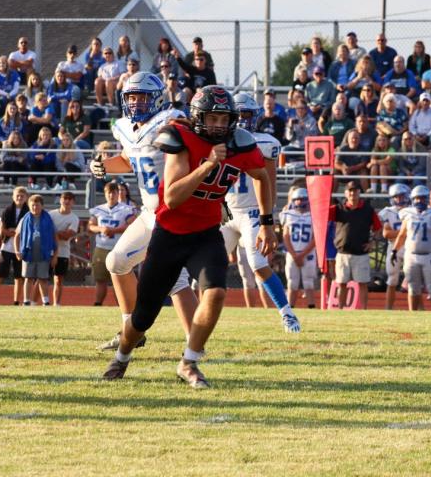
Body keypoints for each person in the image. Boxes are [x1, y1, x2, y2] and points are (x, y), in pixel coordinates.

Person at [103, 86, 275, 387]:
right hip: (168, 234)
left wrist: (267, 222)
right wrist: (209, 164)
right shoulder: (180, 138)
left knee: (216, 292)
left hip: (206, 234)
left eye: (225, 119)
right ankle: (122, 357)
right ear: (198, 117)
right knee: (142, 317)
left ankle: (189, 361)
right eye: (213, 118)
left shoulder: (241, 144)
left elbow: (261, 175)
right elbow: (172, 197)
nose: (219, 126)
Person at [90, 72, 198, 351]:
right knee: (116, 263)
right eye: (132, 97)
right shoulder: (126, 127)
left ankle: (196, 344)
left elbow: (194, 153)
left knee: (176, 279)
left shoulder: (170, 121)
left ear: (157, 98)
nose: (136, 103)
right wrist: (104, 166)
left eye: (143, 96)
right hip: (150, 213)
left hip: (173, 211)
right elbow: (128, 159)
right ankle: (131, 330)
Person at [222, 93, 301, 332]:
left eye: (248, 114)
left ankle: (286, 313)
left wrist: (269, 220)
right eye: (240, 114)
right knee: (205, 263)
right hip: (226, 211)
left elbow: (270, 185)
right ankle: (195, 317)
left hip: (252, 211)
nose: (244, 120)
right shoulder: (220, 139)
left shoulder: (265, 143)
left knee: (257, 263)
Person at [392, 186, 431, 311]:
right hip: (411, 255)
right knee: (413, 287)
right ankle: (413, 315)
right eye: (416, 199)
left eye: (422, 199)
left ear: (427, 199)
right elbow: (402, 234)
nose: (419, 201)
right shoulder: (407, 213)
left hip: (430, 255)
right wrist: (394, 250)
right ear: (412, 200)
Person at [329, 181, 381, 310]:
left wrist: (372, 242)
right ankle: (340, 309)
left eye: (355, 190)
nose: (353, 193)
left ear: (359, 192)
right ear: (346, 193)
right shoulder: (338, 208)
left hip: (360, 253)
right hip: (343, 253)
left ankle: (363, 309)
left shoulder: (368, 210)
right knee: (341, 283)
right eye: (350, 190)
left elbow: (378, 228)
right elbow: (321, 215)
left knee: (362, 283)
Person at [89, 182, 136, 306]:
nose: (111, 195)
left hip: (118, 249)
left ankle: (121, 306)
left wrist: (114, 230)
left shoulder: (126, 209)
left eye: (114, 192)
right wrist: (101, 229)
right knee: (100, 279)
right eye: (108, 192)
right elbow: (91, 226)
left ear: (117, 193)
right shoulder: (99, 209)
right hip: (101, 248)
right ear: (105, 194)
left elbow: (132, 225)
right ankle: (98, 303)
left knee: (119, 280)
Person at [14, 194, 56, 306]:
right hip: (28, 253)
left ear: (42, 206)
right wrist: (17, 250)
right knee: (28, 278)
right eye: (32, 205)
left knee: (43, 278)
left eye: (37, 205)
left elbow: (54, 236)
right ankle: (26, 301)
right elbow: (17, 236)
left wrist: (55, 255)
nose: (35, 208)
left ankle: (45, 301)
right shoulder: (25, 219)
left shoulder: (48, 219)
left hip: (43, 254)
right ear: (29, 206)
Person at [283, 188, 318, 309]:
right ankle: (289, 309)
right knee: (292, 283)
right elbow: (285, 236)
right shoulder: (289, 214)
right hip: (292, 253)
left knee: (308, 282)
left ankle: (311, 307)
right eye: (296, 199)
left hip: (308, 254)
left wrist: (301, 255)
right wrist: (294, 255)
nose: (298, 202)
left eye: (301, 199)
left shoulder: (313, 215)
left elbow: (315, 239)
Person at [379, 183, 411, 310]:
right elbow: (386, 233)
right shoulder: (387, 212)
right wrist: (405, 233)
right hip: (394, 247)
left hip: (410, 247)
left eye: (402, 196)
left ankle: (416, 309)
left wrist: (397, 234)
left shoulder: (413, 210)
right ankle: (388, 308)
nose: (399, 199)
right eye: (396, 197)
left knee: (414, 280)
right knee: (392, 279)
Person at [47, 190, 79, 306]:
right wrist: (58, 233)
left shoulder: (74, 218)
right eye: (64, 198)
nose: (66, 201)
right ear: (60, 200)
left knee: (58, 279)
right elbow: (46, 231)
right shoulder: (51, 214)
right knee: (42, 278)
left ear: (73, 202)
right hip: (49, 250)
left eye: (69, 199)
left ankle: (56, 303)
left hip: (63, 251)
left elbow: (67, 236)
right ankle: (36, 301)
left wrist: (54, 233)